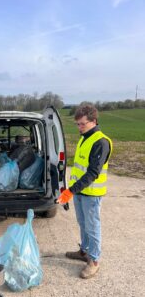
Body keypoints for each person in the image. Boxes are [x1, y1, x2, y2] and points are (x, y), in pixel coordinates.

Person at [57, 104, 112, 279]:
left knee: (92, 226)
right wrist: (71, 189)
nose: (79, 127)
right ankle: (84, 252)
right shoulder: (85, 138)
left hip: (92, 194)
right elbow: (80, 168)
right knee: (83, 223)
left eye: (82, 124)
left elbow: (93, 173)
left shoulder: (101, 142)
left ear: (93, 121)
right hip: (80, 192)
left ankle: (94, 260)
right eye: (78, 124)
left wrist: (70, 191)